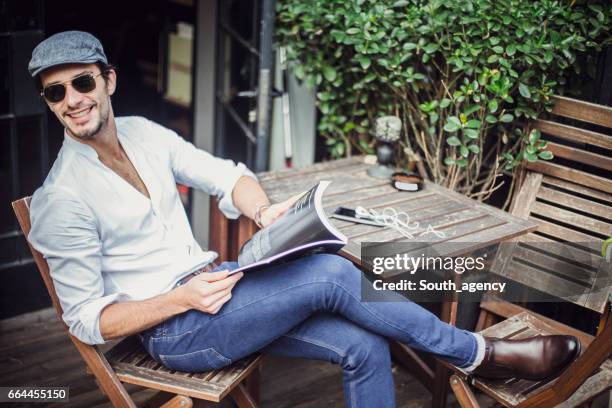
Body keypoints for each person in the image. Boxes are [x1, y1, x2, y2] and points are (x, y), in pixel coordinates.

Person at [27, 31, 579, 407]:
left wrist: (265, 211)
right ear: (49, 103)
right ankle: (480, 355)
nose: (73, 100)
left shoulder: (145, 134)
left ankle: (473, 355)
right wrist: (183, 299)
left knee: (366, 346)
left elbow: (228, 175)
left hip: (220, 288)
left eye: (83, 83)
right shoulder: (63, 197)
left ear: (109, 81)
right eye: (56, 92)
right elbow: (86, 322)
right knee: (334, 274)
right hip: (177, 329)